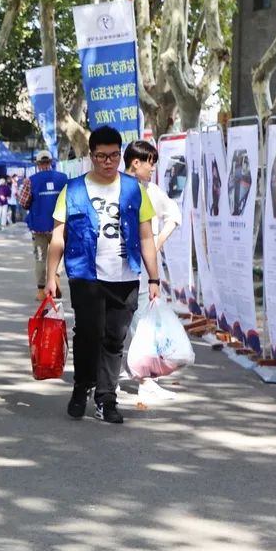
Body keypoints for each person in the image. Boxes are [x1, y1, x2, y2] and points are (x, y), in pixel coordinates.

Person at [45, 126, 161, 424]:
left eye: (113, 156)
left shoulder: (135, 189)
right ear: (91, 155)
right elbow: (58, 236)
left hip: (125, 276)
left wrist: (154, 278)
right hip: (86, 275)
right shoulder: (73, 189)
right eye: (101, 156)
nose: (108, 162)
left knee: (114, 339)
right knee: (88, 335)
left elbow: (146, 236)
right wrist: (51, 276)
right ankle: (82, 386)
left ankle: (106, 398)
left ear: (120, 156)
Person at [123, 140, 182, 401]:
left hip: (144, 273)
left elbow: (174, 216)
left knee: (144, 325)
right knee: (114, 327)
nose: (153, 168)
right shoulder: (114, 187)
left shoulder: (152, 191)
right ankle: (112, 377)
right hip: (115, 270)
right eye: (150, 163)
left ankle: (146, 380)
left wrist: (156, 244)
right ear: (136, 163)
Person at [17, 150, 69, 302]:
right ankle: (56, 278)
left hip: (39, 226)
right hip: (59, 226)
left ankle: (41, 290)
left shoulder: (31, 180)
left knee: (40, 258)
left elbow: (23, 202)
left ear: (38, 164)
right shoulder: (63, 179)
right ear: (51, 162)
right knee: (58, 254)